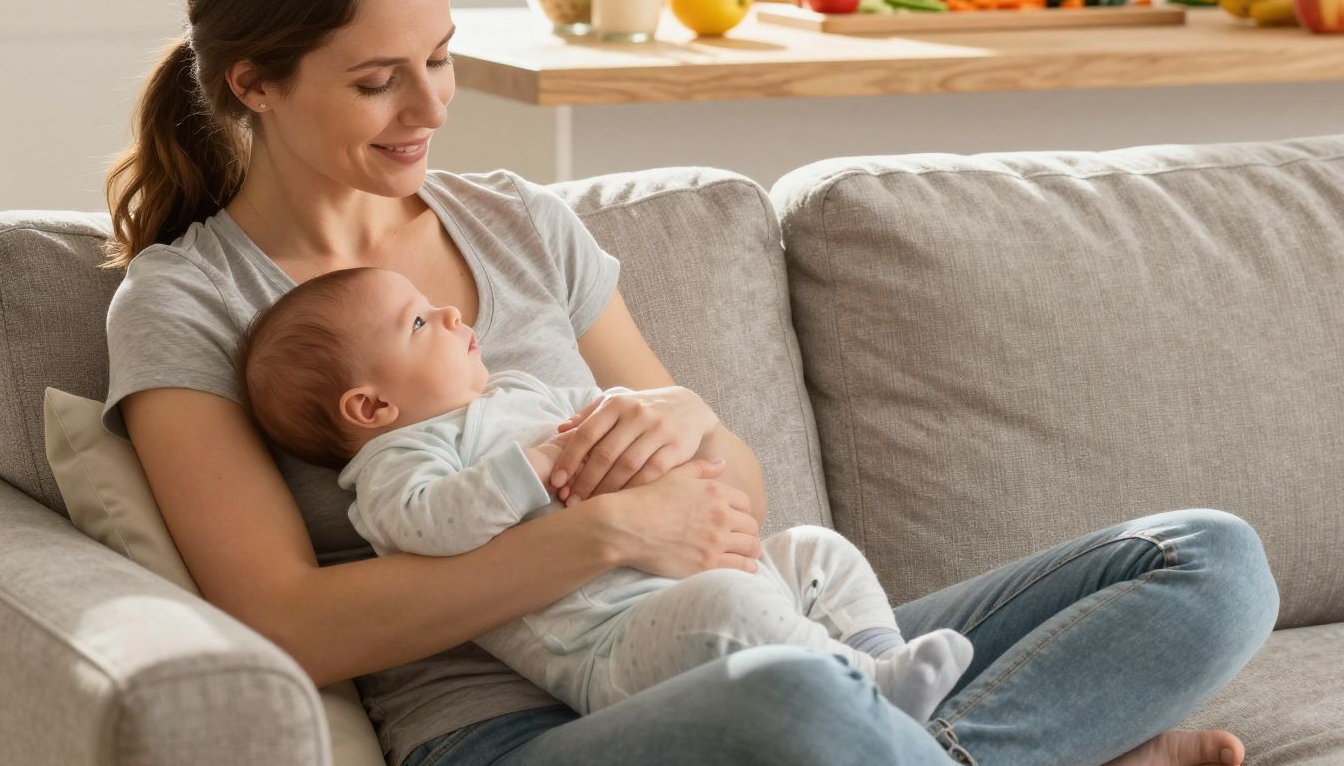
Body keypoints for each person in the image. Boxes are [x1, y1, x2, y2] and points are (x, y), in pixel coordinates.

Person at [100, 0, 1280, 766]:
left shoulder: (519, 227)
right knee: (789, 711)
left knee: (1206, 559)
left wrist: (682, 419)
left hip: (734, 634)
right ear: (254, 81)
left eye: (442, 61)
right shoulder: (191, 302)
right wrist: (603, 535)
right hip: (500, 751)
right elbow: (282, 622)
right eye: (376, 81)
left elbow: (734, 497)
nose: (430, 109)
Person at [240, 265, 974, 722]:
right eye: (421, 322)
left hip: (700, 570)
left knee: (820, 550)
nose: (455, 316)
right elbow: (432, 525)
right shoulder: (399, 462)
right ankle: (868, 699)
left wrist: (660, 415)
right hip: (613, 645)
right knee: (733, 607)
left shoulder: (516, 392)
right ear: (370, 408)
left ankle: (882, 663)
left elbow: (621, 411)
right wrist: (538, 463)